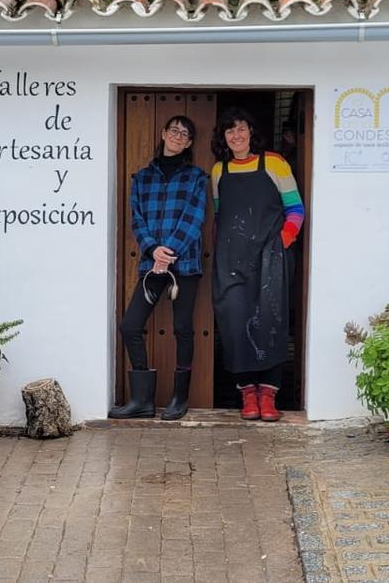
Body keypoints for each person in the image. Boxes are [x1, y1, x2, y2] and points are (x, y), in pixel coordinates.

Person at [109, 115, 207, 420]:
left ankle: (180, 397)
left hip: (184, 265)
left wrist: (170, 252)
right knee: (130, 325)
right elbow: (137, 219)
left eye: (185, 134)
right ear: (164, 134)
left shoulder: (197, 178)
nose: (178, 136)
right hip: (152, 265)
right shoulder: (141, 178)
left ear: (190, 142)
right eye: (174, 130)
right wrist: (153, 249)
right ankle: (142, 400)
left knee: (182, 329)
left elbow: (195, 217)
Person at [210, 107, 305, 422]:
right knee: (235, 325)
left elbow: (295, 209)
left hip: (271, 258)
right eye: (229, 131)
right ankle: (247, 393)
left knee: (271, 322)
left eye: (241, 129)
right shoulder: (218, 171)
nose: (236, 136)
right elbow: (220, 216)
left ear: (251, 132)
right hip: (231, 262)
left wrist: (282, 243)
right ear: (223, 138)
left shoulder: (275, 163)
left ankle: (268, 394)